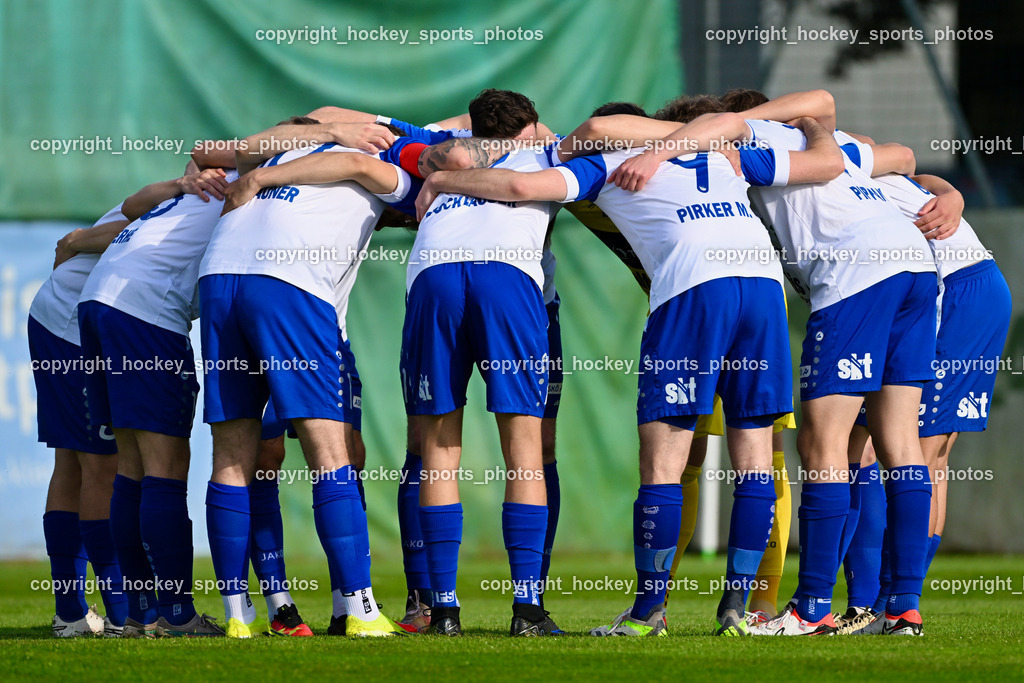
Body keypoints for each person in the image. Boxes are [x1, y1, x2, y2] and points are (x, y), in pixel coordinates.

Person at [412, 111, 842, 636]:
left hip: (692, 286)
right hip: (762, 288)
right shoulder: (720, 152)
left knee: (663, 460)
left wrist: (440, 179)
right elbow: (820, 156)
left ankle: (647, 612)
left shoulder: (603, 161)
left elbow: (525, 182)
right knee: (754, 455)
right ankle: (739, 609)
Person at [199, 117, 415, 637]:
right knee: (330, 453)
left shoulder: (274, 153)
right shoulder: (384, 168)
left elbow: (213, 149)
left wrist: (265, 170)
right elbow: (364, 162)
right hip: (289, 284)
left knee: (231, 455)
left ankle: (237, 615)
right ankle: (360, 610)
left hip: (219, 278)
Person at [77, 163, 233, 637]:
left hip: (99, 302)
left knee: (131, 467)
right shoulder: (251, 180)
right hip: (145, 313)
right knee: (165, 468)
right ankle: (176, 614)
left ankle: (141, 614)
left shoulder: (191, 189)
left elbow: (132, 205)